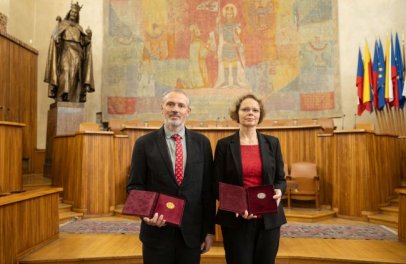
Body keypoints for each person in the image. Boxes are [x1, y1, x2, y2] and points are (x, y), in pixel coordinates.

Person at [127, 89, 215, 264]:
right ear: (162, 108)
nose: (175, 109)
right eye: (170, 104)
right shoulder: (144, 144)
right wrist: (146, 215)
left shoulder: (202, 143)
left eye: (181, 105)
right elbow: (135, 186)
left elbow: (208, 191)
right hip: (156, 233)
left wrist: (209, 231)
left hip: (191, 234)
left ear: (188, 111)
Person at [213, 94, 286, 264]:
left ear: (260, 115)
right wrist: (237, 206)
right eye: (245, 109)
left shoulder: (272, 143)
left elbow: (281, 179)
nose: (250, 113)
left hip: (268, 219)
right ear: (236, 113)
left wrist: (279, 191)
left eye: (255, 110)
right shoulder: (224, 145)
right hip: (235, 219)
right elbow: (216, 184)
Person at [44, 1, 94, 103]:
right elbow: (56, 38)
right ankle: (62, 95)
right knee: (65, 70)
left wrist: (89, 36)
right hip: (65, 50)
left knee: (75, 76)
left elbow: (84, 43)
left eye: (75, 13)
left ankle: (72, 97)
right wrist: (57, 39)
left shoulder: (79, 28)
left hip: (77, 53)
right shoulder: (62, 24)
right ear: (69, 12)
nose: (73, 14)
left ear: (77, 15)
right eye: (72, 12)